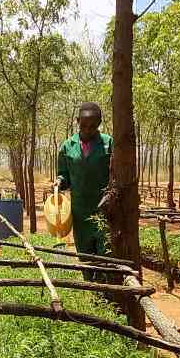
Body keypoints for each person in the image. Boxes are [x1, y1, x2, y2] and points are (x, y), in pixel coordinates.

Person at [56, 102, 113, 279]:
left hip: (104, 211)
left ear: (99, 123)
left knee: (106, 256)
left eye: (93, 126)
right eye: (84, 125)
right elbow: (63, 175)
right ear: (77, 121)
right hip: (80, 212)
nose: (88, 129)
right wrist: (58, 182)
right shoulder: (67, 146)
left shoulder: (108, 143)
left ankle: (107, 294)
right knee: (85, 257)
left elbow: (116, 176)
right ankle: (91, 293)